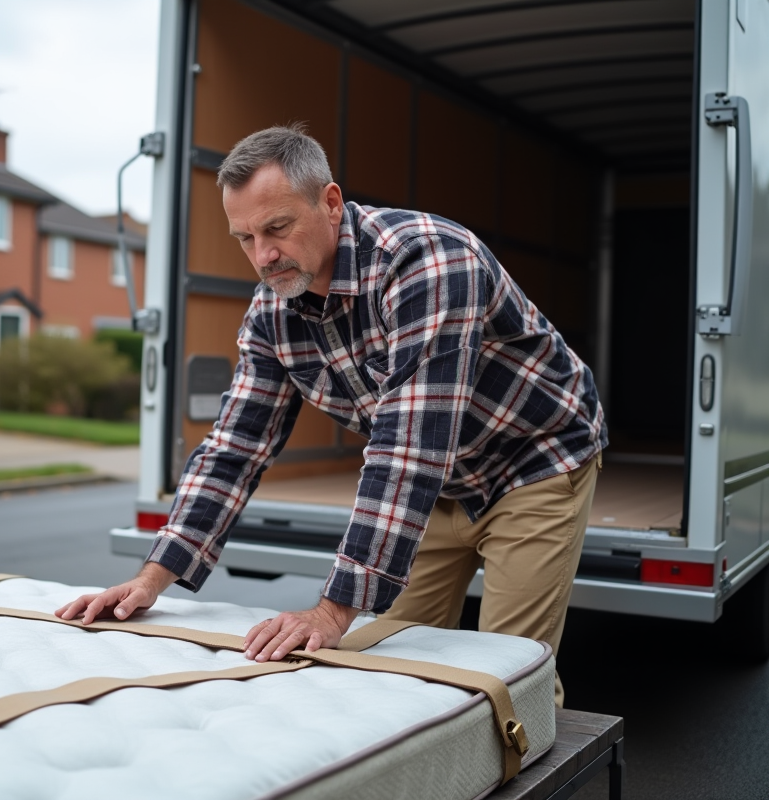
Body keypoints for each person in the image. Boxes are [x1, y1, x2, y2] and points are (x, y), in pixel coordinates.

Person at [57, 124, 606, 706]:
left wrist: (331, 608)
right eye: (244, 237)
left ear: (331, 202)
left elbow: (408, 446)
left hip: (531, 461)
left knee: (504, 679)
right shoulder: (273, 311)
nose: (263, 256)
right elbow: (233, 448)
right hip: (441, 485)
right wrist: (150, 581)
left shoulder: (429, 260)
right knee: (398, 669)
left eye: (277, 228)